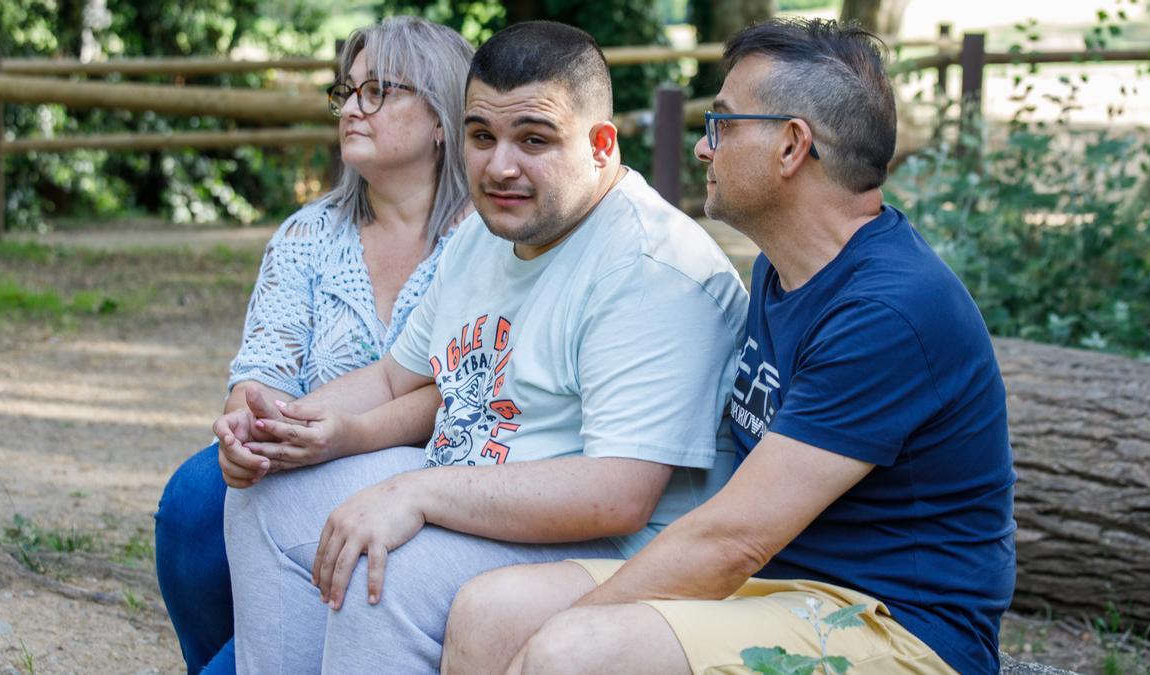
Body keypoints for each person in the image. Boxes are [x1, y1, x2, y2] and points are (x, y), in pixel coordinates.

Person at [442, 18, 1017, 675]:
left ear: (791, 146)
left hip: (898, 628)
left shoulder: (887, 311)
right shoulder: (781, 267)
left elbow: (733, 538)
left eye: (723, 124)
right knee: (492, 610)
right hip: (781, 587)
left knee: (572, 651)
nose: (702, 149)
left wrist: (568, 631)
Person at [221, 20, 749, 674]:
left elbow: (619, 493)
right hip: (485, 497)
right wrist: (274, 428)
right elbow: (391, 380)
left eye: (534, 139)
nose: (500, 166)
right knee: (266, 497)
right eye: (482, 137)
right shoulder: (481, 237)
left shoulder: (651, 266)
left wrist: (416, 493)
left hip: (613, 549)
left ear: (600, 145)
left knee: (385, 575)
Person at [152, 16, 475, 674]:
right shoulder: (310, 233)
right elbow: (263, 367)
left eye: (378, 91)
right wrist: (250, 424)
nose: (352, 107)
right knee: (194, 497)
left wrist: (336, 434)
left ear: (442, 119)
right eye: (346, 91)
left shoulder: (485, 239)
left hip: (438, 464)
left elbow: (460, 390)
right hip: (310, 455)